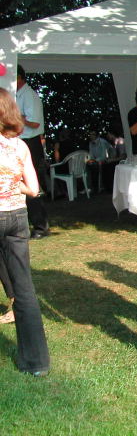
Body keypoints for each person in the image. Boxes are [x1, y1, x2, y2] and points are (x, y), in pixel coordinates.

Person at [0, 88, 50, 375]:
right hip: (17, 219)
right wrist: (13, 184)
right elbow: (33, 189)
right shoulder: (20, 146)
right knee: (25, 289)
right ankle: (37, 363)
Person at [16, 65, 49, 239]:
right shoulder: (18, 95)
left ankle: (41, 226)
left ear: (19, 77)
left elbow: (34, 123)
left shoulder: (29, 95)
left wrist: (16, 117)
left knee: (32, 184)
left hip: (30, 142)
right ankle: (30, 223)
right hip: (22, 141)